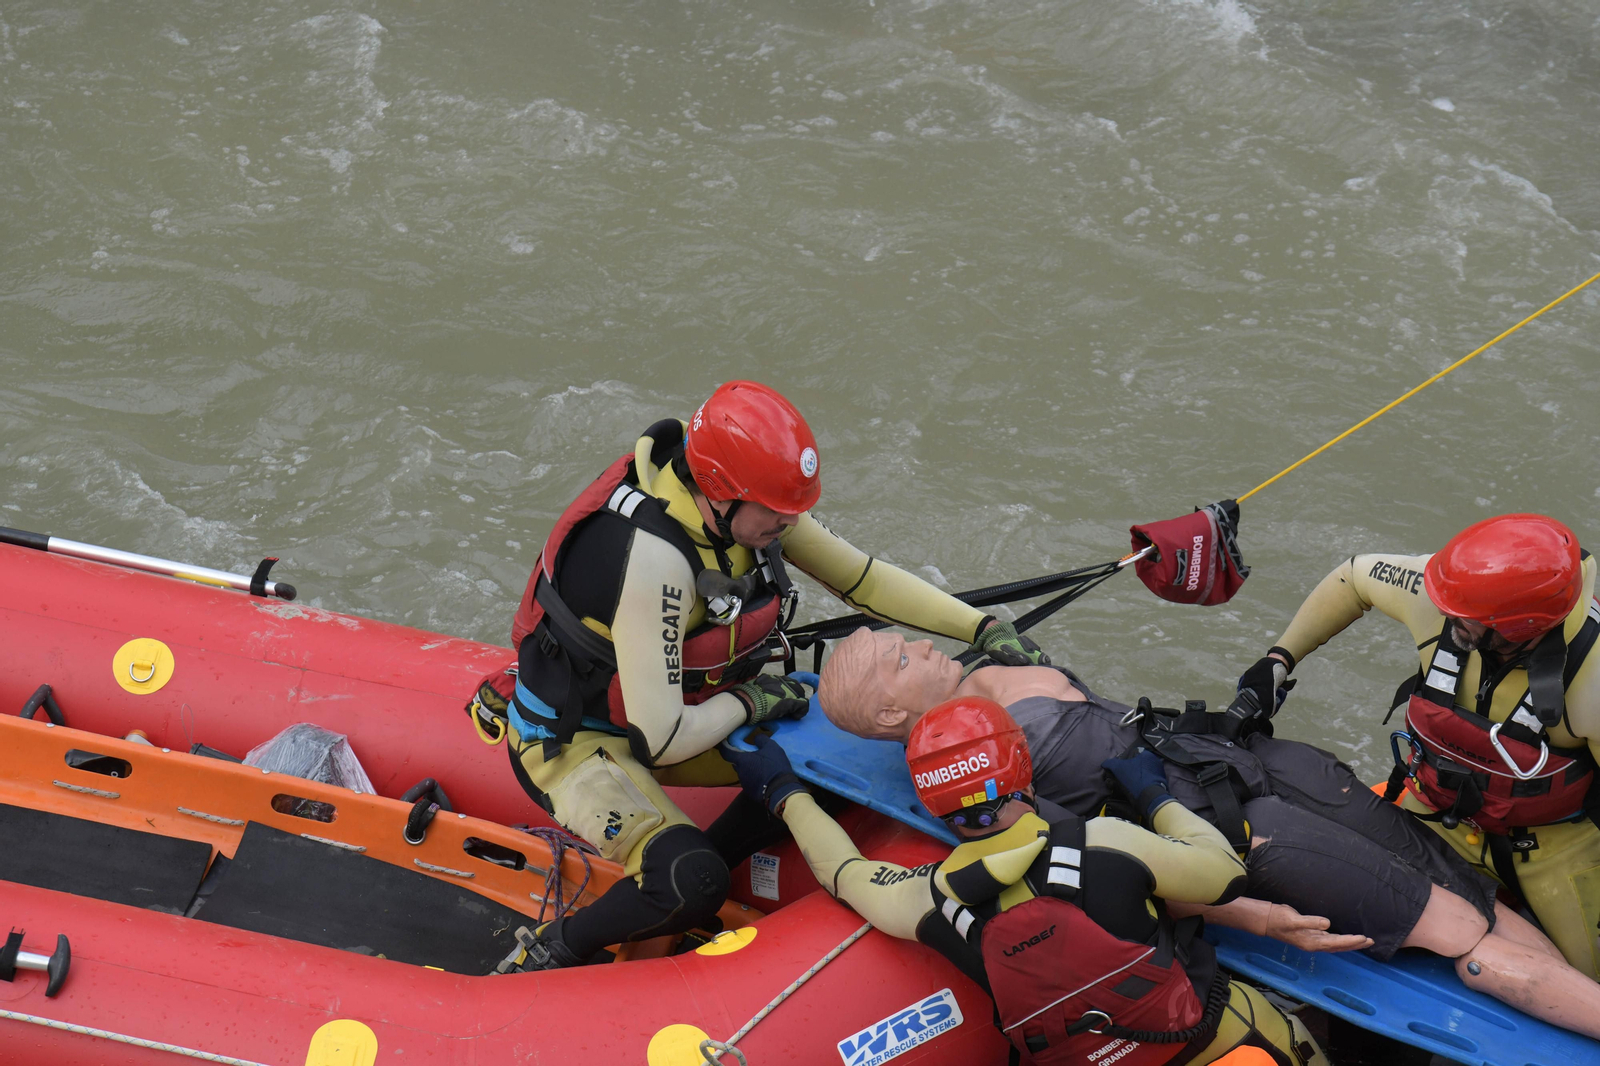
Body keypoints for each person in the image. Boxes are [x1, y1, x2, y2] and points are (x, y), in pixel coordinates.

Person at [485, 381, 1048, 970]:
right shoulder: (655, 558)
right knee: (688, 879)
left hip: (675, 711)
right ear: (722, 493)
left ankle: (717, 870)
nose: (791, 521)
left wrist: (981, 628)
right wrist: (752, 703)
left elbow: (866, 581)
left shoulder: (746, 508)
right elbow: (662, 736)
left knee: (836, 769)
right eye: (778, 511)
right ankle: (554, 950)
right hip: (579, 741)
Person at [816, 623, 1600, 1039]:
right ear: (891, 714)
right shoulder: (983, 789)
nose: (921, 646)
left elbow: (936, 610)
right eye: (900, 658)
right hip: (1249, 831)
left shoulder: (984, 674)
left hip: (1253, 760)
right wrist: (1250, 915)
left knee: (1467, 886)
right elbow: (1102, 869)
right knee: (1457, 930)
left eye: (907, 640)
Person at [725, 694, 1329, 1066]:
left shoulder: (927, 900)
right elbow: (1223, 870)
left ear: (933, 806)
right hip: (1222, 1043)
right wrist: (1152, 794)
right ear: (1022, 768)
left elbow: (845, 872)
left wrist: (783, 791)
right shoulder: (1105, 843)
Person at [1239, 512, 1600, 981]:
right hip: (1432, 812)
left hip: (1554, 848)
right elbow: (1354, 577)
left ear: (1519, 628)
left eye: (1464, 620)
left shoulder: (1591, 681)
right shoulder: (1448, 592)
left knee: (1587, 984)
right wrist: (1279, 660)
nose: (1442, 615)